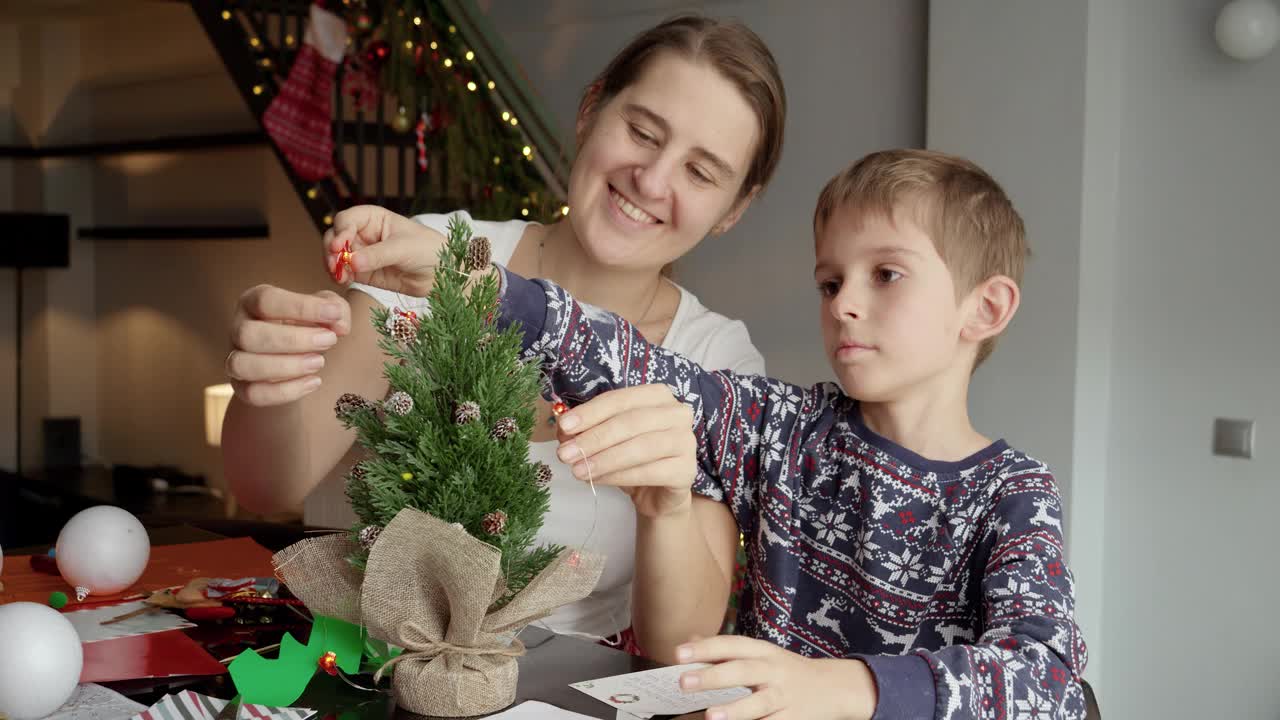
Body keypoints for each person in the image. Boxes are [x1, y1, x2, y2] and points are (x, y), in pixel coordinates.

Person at [340, 149, 1089, 718]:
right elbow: (629, 362)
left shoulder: (1012, 493)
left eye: (886, 274)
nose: (844, 305)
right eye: (831, 282)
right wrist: (475, 280)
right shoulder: (779, 426)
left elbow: (1048, 678)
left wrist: (841, 686)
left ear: (985, 309)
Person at [220, 14, 786, 646]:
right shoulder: (431, 256)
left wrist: (671, 506)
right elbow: (265, 488)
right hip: (379, 678)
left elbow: (676, 649)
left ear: (732, 209)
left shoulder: (716, 362)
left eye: (701, 173)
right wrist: (267, 384)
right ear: (591, 109)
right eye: (642, 131)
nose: (652, 181)